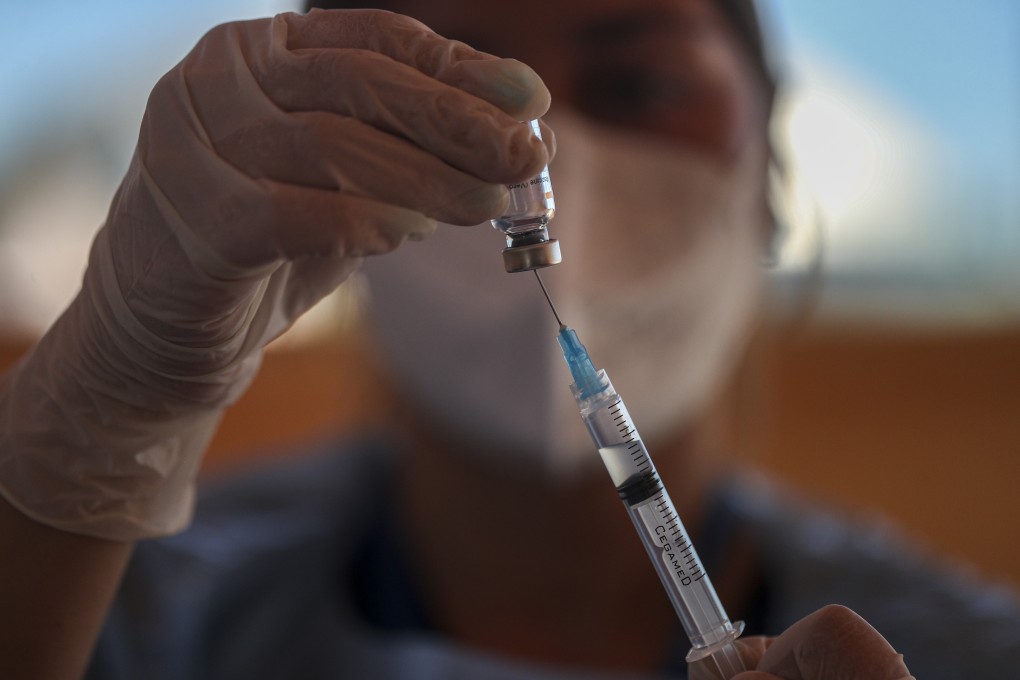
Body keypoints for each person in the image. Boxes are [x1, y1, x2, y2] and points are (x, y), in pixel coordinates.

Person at [0, 1, 1016, 678]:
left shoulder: (962, 649)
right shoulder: (116, 614)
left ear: (773, 175)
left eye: (640, 85)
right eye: (439, 106)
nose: (549, 156)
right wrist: (92, 419)